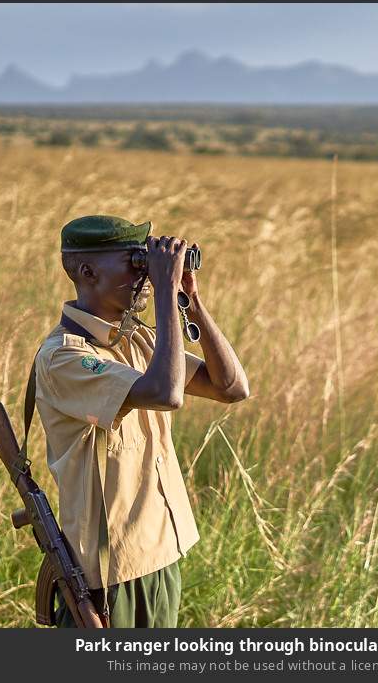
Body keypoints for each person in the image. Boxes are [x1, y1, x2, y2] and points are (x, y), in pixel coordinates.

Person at [32, 214, 249, 627]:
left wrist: (190, 300)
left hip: (161, 553)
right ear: (88, 272)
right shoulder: (65, 357)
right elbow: (165, 395)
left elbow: (232, 388)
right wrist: (165, 294)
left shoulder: (139, 341)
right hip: (112, 572)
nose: (146, 275)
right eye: (135, 263)